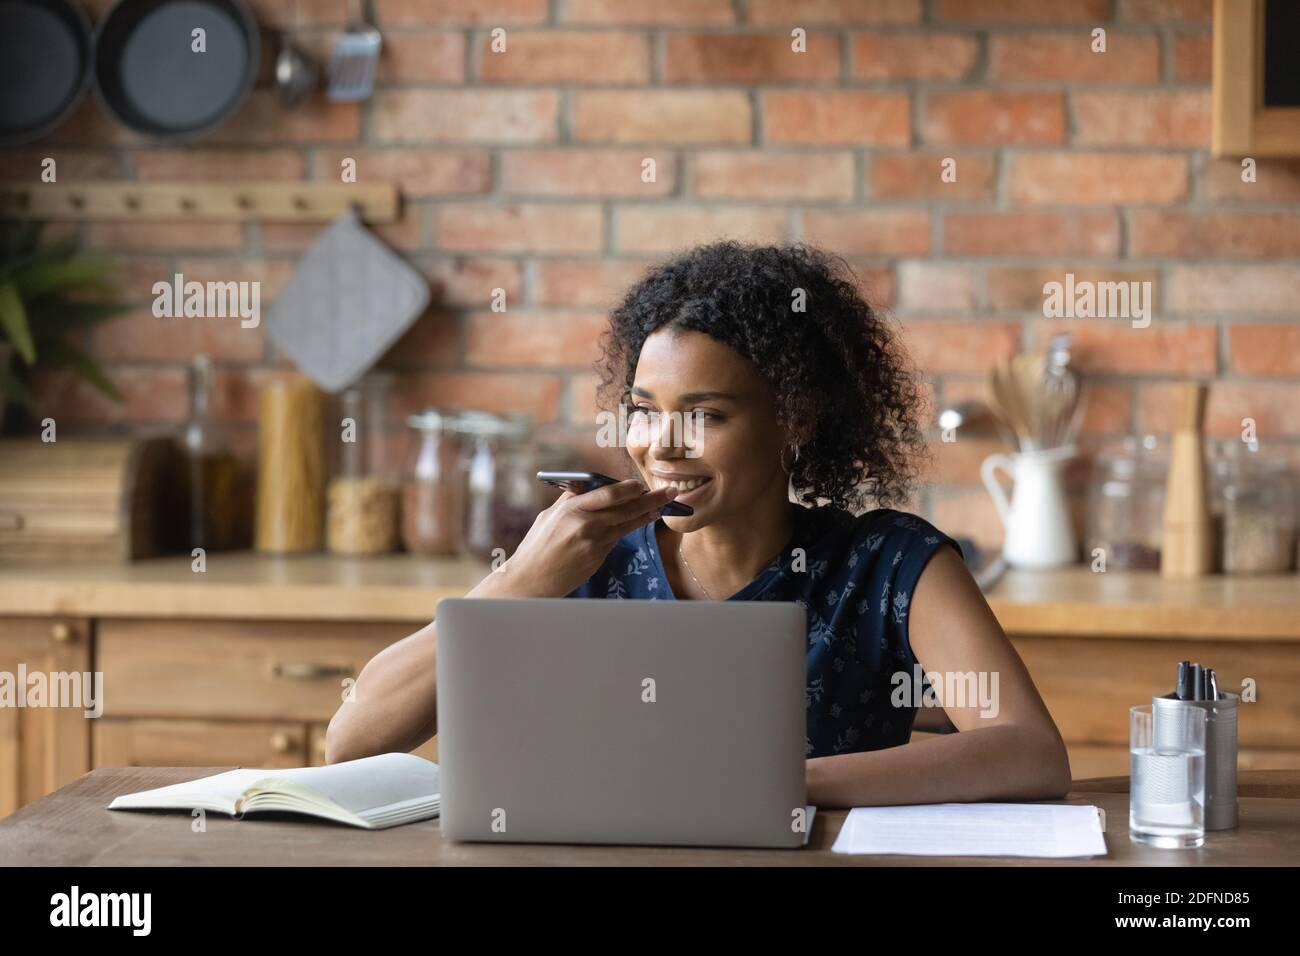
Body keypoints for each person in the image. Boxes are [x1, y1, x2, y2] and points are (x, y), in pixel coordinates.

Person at [325, 241, 1071, 806]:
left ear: (796, 421)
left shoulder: (887, 565)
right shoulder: (577, 558)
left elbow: (1031, 753)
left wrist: (772, 784)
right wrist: (517, 583)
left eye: (703, 415)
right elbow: (350, 744)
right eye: (644, 412)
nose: (659, 445)